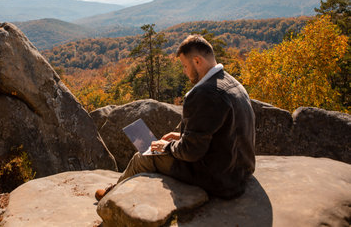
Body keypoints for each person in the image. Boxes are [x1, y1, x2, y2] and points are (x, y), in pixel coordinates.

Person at [95, 34, 256, 200]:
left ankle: (112, 196)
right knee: (158, 147)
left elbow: (191, 152)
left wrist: (167, 147)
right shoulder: (232, 83)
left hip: (221, 179)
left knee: (142, 158)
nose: (184, 71)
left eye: (185, 66)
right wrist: (181, 137)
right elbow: (222, 132)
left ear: (197, 61)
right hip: (241, 170)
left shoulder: (205, 94)